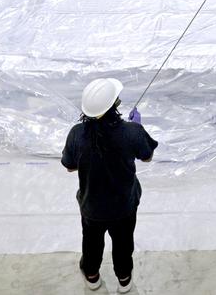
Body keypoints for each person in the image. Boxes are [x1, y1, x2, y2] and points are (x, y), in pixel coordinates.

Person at [62, 78, 158, 294]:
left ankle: (92, 278)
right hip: (124, 207)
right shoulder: (132, 132)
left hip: (91, 206)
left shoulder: (76, 134)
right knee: (123, 245)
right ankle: (124, 282)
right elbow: (147, 157)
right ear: (114, 105)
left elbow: (69, 167)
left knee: (92, 243)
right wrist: (139, 128)